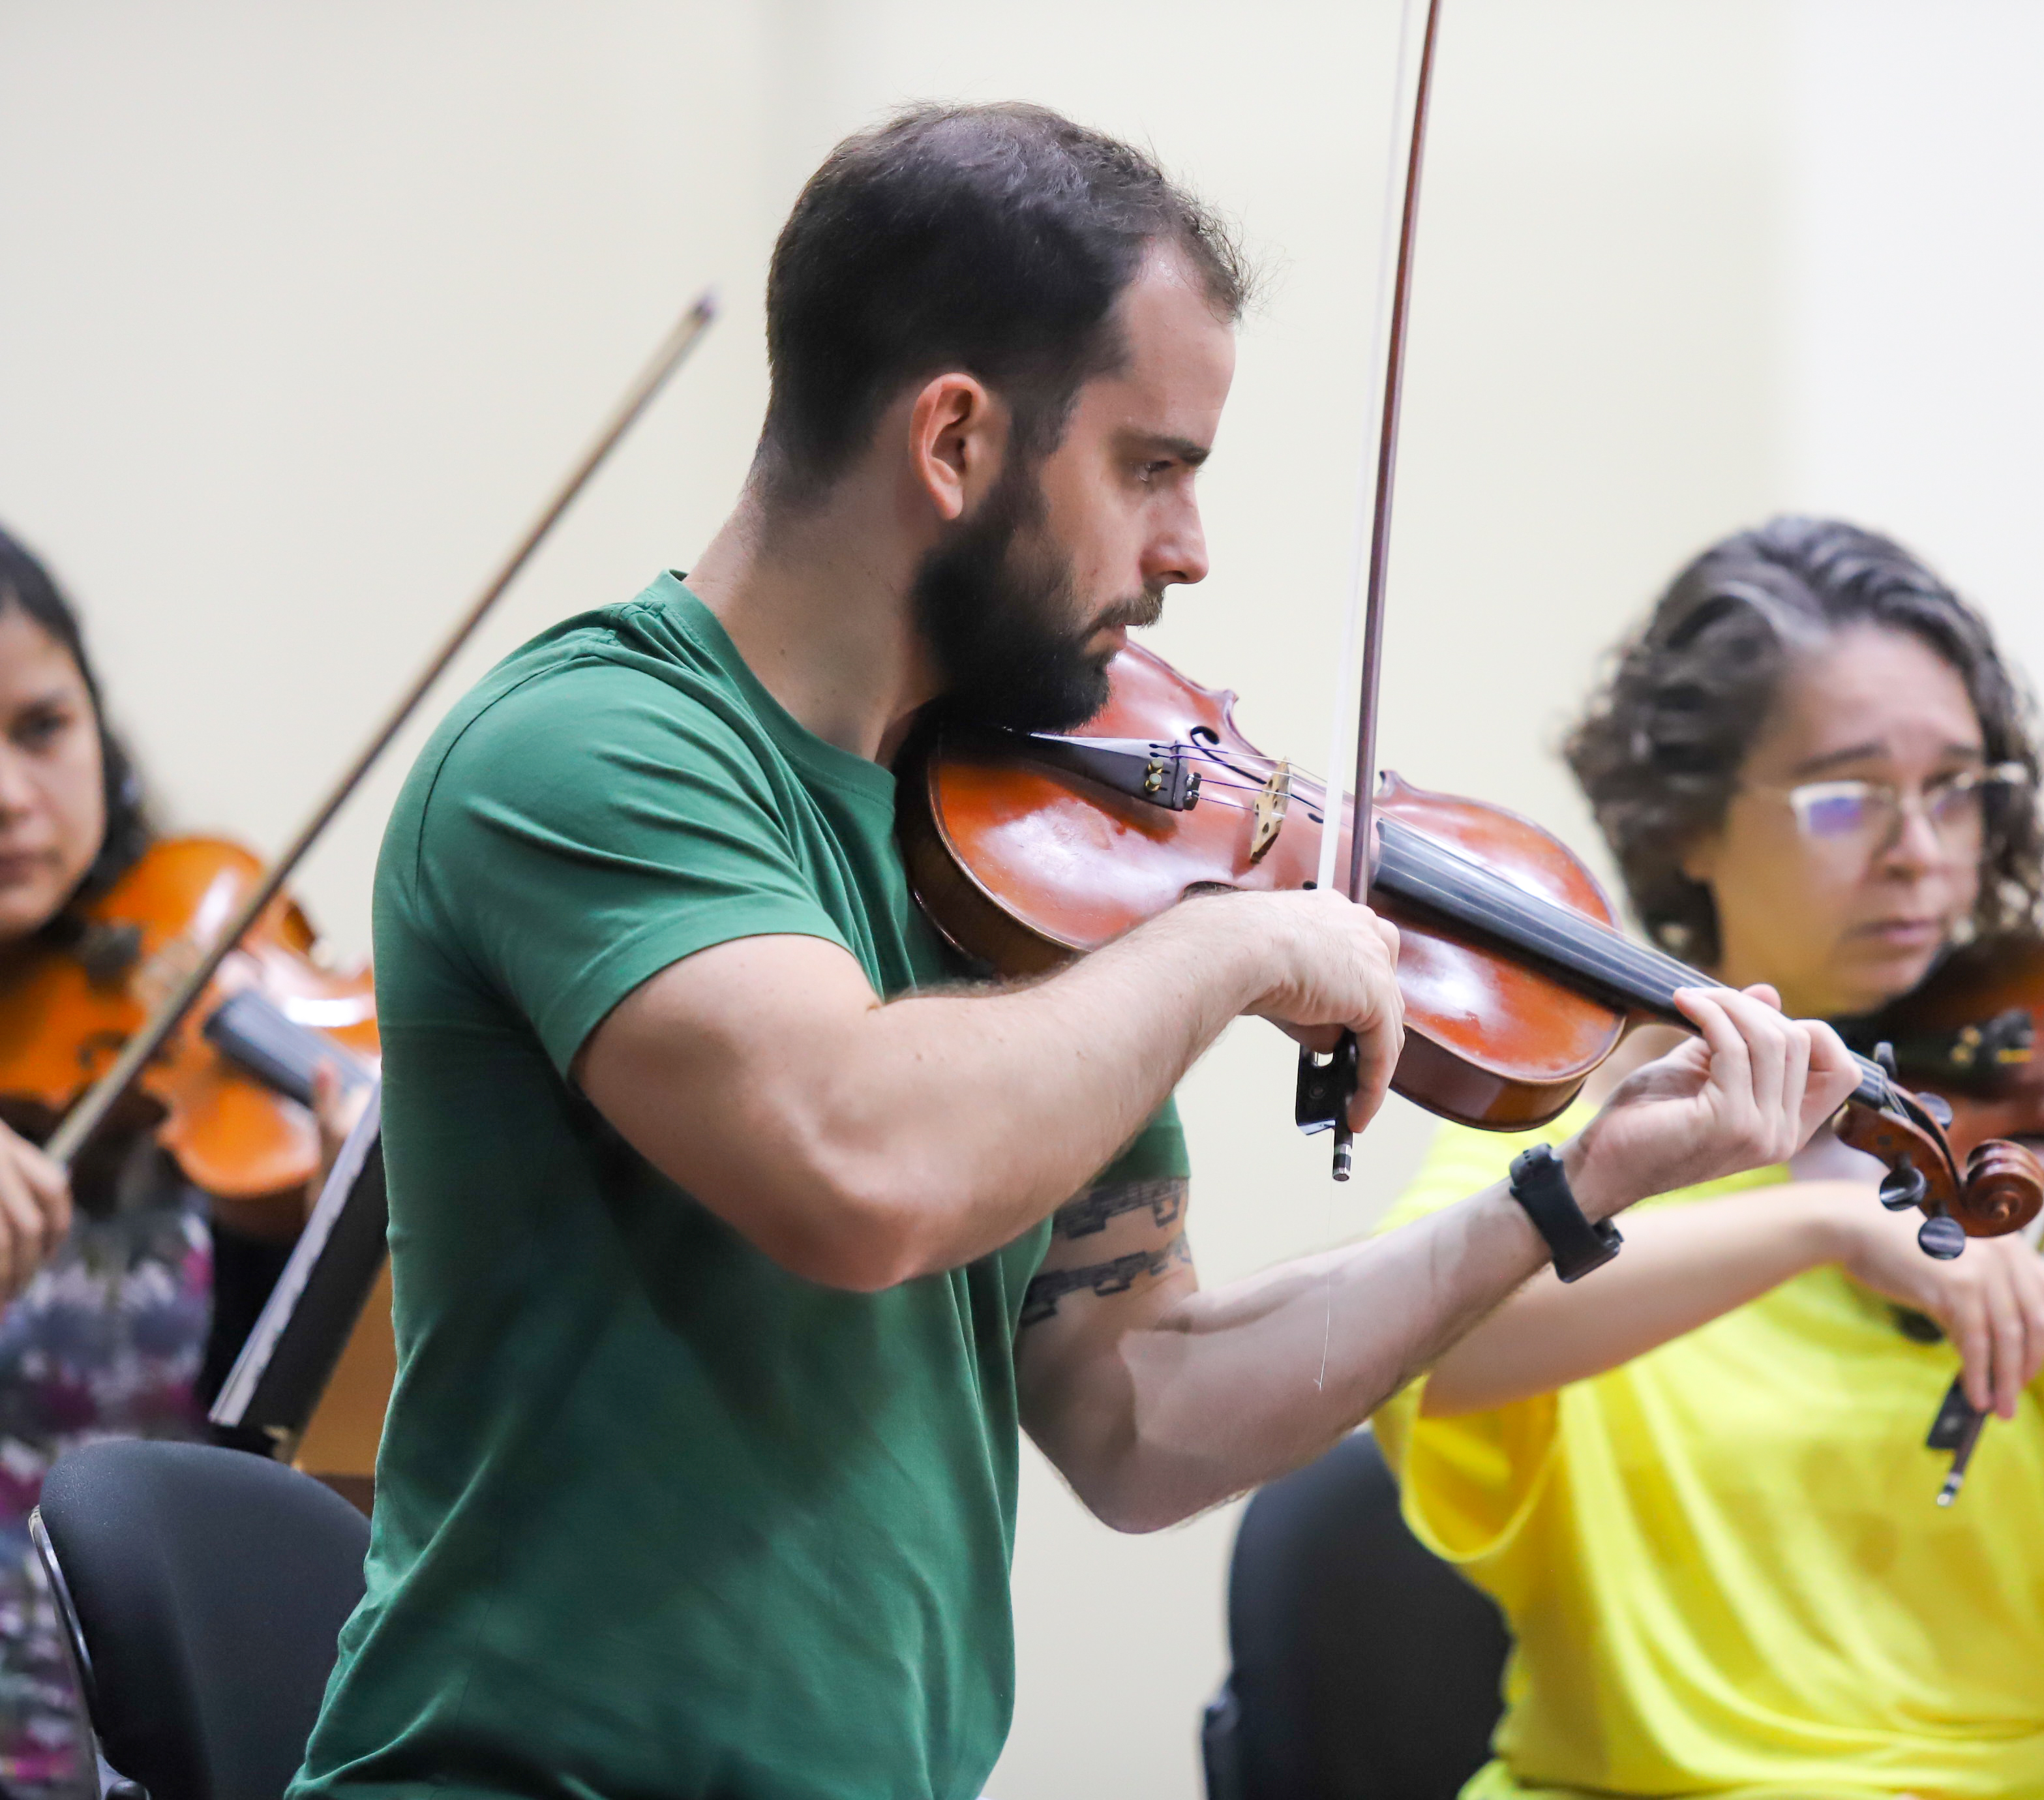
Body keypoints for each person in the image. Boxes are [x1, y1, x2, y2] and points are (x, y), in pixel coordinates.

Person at [286, 105, 1852, 1800]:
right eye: (1151, 467)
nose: (1188, 549)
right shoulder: (595, 752)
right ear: (954, 440)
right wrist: (1227, 953)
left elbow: (1135, 1413)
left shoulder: (1029, 863)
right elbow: (856, 1159)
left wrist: (1562, 1197)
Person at [1370, 518, 2044, 1800]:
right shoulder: (1593, 1134)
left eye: (1957, 789)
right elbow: (1417, 1338)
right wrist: (1823, 1227)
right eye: (1847, 795)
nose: (1922, 852)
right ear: (1687, 827)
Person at [0, 524, 352, 1799]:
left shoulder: (216, 980)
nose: (9, 793)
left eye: (43, 726)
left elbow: (291, 1470)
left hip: (201, 1716)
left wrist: (345, 1246)